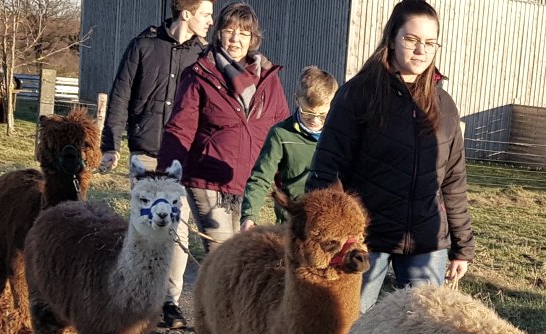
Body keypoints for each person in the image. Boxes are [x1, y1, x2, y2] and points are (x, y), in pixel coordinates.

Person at [307, 0, 472, 312]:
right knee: (349, 324)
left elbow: (453, 180)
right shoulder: (358, 95)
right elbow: (327, 168)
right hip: (364, 238)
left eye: (430, 42)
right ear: (392, 39)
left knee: (424, 328)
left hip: (425, 240)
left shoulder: (445, 106)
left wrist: (462, 247)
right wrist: (326, 233)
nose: (421, 50)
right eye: (411, 39)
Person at [158, 1, 289, 287]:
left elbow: (282, 134)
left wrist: (286, 181)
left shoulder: (268, 79)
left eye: (243, 33)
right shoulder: (200, 74)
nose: (235, 39)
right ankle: (214, 314)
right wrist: (165, 177)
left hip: (248, 184)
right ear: (218, 33)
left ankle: (222, 310)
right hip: (207, 179)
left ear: (253, 38)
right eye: (229, 31)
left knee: (243, 258)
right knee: (224, 258)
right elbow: (180, 128)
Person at [99, 0, 213, 328]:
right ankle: (136, 293)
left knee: (177, 228)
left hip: (182, 160)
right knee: (144, 226)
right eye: (206, 14)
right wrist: (110, 145)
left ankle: (169, 302)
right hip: (146, 153)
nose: (210, 21)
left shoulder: (205, 56)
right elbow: (120, 96)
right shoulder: (143, 46)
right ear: (186, 13)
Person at [240, 66, 339, 230]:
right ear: (296, 100)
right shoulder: (281, 134)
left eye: (322, 115)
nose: (315, 120)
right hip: (291, 224)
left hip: (328, 224)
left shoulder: (339, 135)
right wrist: (249, 216)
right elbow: (260, 178)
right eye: (308, 113)